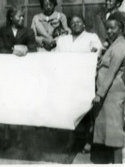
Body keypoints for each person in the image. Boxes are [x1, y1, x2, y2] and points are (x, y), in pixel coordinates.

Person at [55, 14, 102, 152]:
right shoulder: (63, 40)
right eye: (73, 22)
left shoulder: (91, 37)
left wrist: (93, 52)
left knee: (86, 111)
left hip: (84, 81)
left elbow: (97, 52)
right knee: (68, 111)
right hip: (67, 80)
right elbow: (57, 57)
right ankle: (70, 141)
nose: (75, 24)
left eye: (78, 22)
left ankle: (88, 141)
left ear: (84, 24)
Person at [0, 6, 37, 149]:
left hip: (22, 71)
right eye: (19, 16)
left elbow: (32, 49)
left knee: (19, 101)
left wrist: (22, 49)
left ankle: (19, 136)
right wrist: (15, 49)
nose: (22, 19)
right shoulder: (1, 31)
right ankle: (6, 134)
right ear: (11, 17)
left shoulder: (28, 32)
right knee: (6, 101)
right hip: (6, 71)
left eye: (23, 17)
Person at [90, 12, 125, 164]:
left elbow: (111, 72)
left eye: (112, 28)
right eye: (107, 28)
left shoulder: (120, 46)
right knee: (108, 132)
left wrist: (99, 94)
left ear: (120, 29)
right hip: (107, 94)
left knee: (115, 134)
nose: (109, 31)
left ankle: (118, 163)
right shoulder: (114, 45)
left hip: (112, 94)